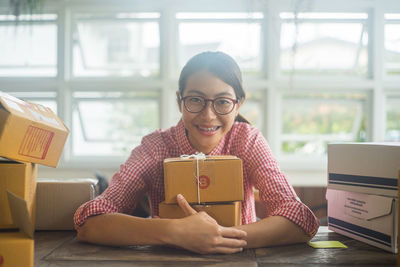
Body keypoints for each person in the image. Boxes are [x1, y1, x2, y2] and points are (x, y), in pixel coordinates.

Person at [74, 51, 319, 254]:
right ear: (180, 101)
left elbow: (300, 219)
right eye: (195, 100)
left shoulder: (247, 141)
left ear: (238, 104)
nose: (208, 115)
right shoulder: (155, 147)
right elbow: (90, 221)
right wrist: (176, 232)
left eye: (222, 102)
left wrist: (218, 238)